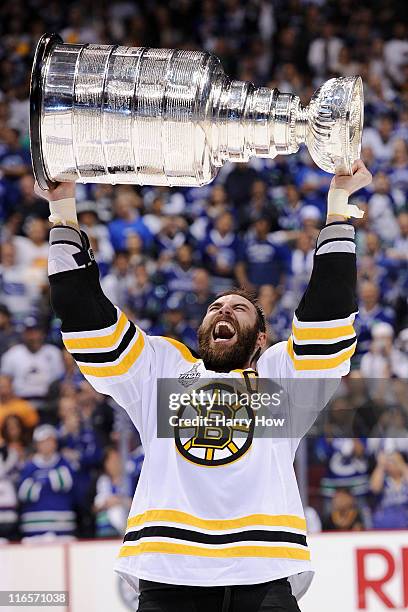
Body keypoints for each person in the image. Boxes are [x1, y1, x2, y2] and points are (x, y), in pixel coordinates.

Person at [37, 160, 372, 611]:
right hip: (167, 572)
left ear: (260, 338)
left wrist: (337, 206)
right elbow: (83, 314)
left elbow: (329, 313)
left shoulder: (280, 381)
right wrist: (62, 207)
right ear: (201, 327)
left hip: (265, 572)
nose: (224, 311)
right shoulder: (161, 370)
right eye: (216, 306)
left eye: (239, 308)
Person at [18, 424, 76, 538]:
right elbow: (24, 493)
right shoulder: (29, 467)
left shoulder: (65, 463)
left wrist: (40, 482)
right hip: (33, 529)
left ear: (55, 442)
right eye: (43, 441)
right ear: (37, 445)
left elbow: (67, 484)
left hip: (62, 528)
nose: (47, 445)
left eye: (50, 440)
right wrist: (52, 479)